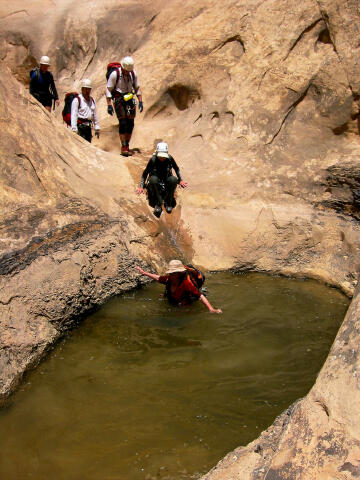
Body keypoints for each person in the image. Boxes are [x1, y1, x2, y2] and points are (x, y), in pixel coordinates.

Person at [135, 260, 222, 313]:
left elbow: (200, 296)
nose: (171, 275)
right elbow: (159, 278)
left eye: (173, 273)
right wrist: (144, 273)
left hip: (184, 305)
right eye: (171, 273)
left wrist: (211, 309)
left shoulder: (186, 283)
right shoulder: (169, 279)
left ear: (179, 274)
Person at [136, 142, 188, 217]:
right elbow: (145, 173)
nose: (162, 158)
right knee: (153, 179)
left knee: (173, 180)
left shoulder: (169, 158)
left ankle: (168, 202)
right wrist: (141, 186)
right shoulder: (153, 160)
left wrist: (180, 180)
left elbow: (176, 169)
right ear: (157, 153)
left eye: (164, 156)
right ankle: (158, 203)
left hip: (166, 179)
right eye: (160, 156)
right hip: (155, 182)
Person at [106, 56, 143, 156]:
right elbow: (109, 89)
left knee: (131, 122)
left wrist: (140, 101)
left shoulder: (133, 73)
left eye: (128, 71)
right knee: (123, 122)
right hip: (119, 99)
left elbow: (137, 87)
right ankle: (124, 146)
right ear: (122, 68)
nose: (127, 72)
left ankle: (127, 145)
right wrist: (109, 105)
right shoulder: (115, 74)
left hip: (129, 98)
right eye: (126, 71)